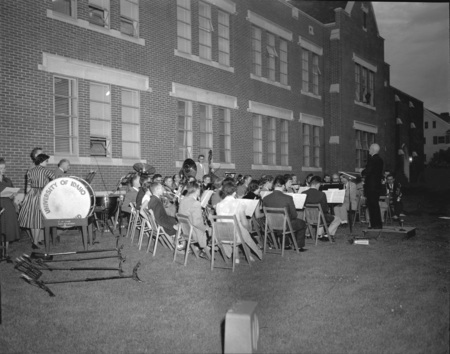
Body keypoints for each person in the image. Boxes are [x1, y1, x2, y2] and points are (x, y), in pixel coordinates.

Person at [215, 181, 262, 262]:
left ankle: (236, 257)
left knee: (238, 228)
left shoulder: (219, 205)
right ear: (234, 192)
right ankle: (249, 255)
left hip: (221, 235)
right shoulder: (238, 203)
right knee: (244, 230)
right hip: (235, 236)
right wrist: (248, 228)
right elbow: (244, 223)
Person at [18, 153, 55, 248]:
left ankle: (34, 242)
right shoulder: (46, 171)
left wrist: (25, 198)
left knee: (31, 219)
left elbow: (28, 186)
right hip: (41, 194)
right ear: (42, 161)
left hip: (31, 195)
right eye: (46, 161)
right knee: (38, 220)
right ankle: (35, 242)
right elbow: (55, 180)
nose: (47, 163)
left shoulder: (30, 171)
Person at [262, 175, 307, 251]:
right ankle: (299, 246)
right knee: (302, 223)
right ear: (283, 186)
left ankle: (286, 244)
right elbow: (294, 215)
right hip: (285, 226)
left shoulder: (265, 198)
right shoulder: (288, 198)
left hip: (271, 225)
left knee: (285, 221)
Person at [302, 176, 341, 242]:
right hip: (319, 217)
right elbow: (324, 209)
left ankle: (319, 234)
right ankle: (327, 235)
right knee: (337, 219)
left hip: (307, 217)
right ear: (317, 184)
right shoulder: (322, 194)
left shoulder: (303, 193)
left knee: (321, 217)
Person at [178, 182, 211, 258]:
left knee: (208, 228)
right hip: (194, 233)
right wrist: (206, 228)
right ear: (197, 190)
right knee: (212, 230)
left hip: (185, 230)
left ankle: (199, 250)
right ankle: (204, 251)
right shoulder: (195, 203)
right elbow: (197, 223)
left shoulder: (183, 200)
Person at [361, 143, 384, 229]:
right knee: (375, 205)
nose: (369, 150)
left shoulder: (372, 159)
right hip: (377, 186)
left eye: (370, 149)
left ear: (373, 150)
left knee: (372, 206)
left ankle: (375, 225)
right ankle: (377, 224)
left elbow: (368, 171)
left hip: (371, 187)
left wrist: (362, 172)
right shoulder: (380, 159)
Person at [0, 158, 21, 248]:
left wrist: (13, 195)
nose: (3, 170)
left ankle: (6, 252)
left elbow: (12, 195)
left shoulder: (7, 180)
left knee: (7, 228)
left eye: (4, 168)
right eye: (0, 168)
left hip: (8, 206)